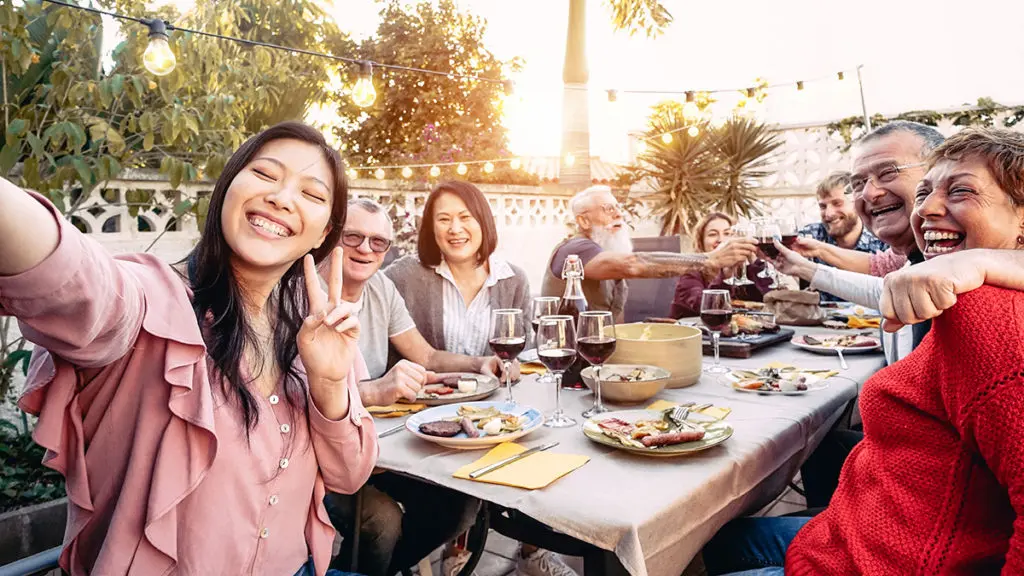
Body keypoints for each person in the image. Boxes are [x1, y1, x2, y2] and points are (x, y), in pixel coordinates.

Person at [0, 122, 376, 576]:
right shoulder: (154, 301)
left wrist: (330, 381)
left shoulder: (318, 331)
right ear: (227, 189)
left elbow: (349, 474)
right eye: (264, 175)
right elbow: (77, 280)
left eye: (312, 195)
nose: (282, 198)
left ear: (324, 233)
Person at [703, 126, 1024, 575]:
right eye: (927, 191)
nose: (927, 208)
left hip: (886, 556)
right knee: (721, 538)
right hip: (863, 532)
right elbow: (883, 285)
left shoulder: (990, 317)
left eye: (961, 190)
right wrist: (804, 267)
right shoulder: (939, 279)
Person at [388, 181, 573, 576]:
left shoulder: (513, 279)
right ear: (431, 228)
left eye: (464, 217)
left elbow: (520, 350)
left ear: (483, 223)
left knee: (547, 449)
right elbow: (413, 348)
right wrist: (478, 364)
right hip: (430, 409)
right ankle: (458, 547)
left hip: (494, 407)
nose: (455, 228)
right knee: (457, 488)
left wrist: (514, 365)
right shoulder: (405, 276)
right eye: (443, 219)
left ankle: (532, 549)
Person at [323, 197, 499, 576]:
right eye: (353, 237)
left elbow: (427, 356)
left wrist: (479, 364)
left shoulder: (381, 288)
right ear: (330, 237)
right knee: (382, 522)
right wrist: (373, 391)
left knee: (462, 501)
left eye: (378, 242)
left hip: (378, 451)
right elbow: (294, 396)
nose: (366, 249)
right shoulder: (302, 293)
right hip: (320, 460)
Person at [771, 121, 945, 360]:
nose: (870, 193)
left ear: (942, 172)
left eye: (888, 173)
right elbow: (885, 289)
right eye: (859, 184)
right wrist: (799, 266)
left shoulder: (961, 264)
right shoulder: (914, 265)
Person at [541, 185, 757, 323]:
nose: (618, 213)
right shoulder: (574, 249)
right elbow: (634, 264)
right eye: (608, 208)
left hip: (599, 360)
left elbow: (616, 325)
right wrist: (709, 259)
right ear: (583, 220)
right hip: (565, 365)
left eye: (618, 207)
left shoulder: (607, 255)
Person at [794, 171, 888, 301]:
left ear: (857, 204)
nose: (829, 213)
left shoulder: (882, 238)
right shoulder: (811, 235)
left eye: (837, 203)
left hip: (874, 320)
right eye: (823, 206)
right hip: (822, 320)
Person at [670, 211, 771, 318]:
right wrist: (725, 276)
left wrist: (755, 263)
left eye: (727, 233)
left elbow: (772, 300)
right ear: (701, 242)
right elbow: (707, 307)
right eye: (712, 234)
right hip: (689, 332)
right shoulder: (691, 272)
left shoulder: (743, 272)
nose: (721, 240)